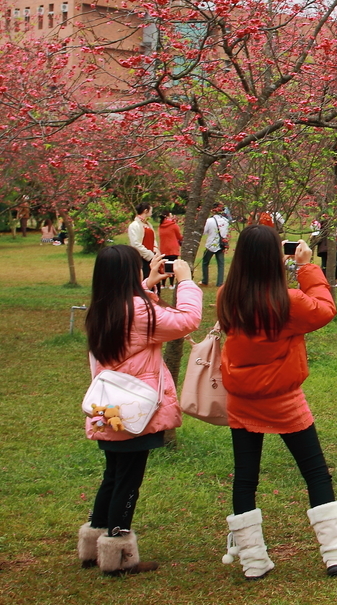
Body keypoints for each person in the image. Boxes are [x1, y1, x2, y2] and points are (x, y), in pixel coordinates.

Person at [217, 225, 337, 579]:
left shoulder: (227, 295)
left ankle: (253, 559)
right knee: (314, 471)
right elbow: (324, 310)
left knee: (245, 477)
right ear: (277, 256)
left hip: (242, 397)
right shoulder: (285, 300)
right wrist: (306, 267)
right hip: (283, 397)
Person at [78, 246, 201, 576]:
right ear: (127, 275)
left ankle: (93, 543)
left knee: (113, 475)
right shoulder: (139, 311)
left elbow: (132, 311)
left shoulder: (102, 308)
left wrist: (147, 284)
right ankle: (117, 554)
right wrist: (186, 282)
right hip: (135, 411)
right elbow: (187, 321)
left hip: (108, 407)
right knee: (128, 481)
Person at [201, 202, 230, 287]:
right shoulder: (226, 221)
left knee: (205, 262)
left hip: (211, 244)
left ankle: (205, 280)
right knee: (221, 264)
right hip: (221, 244)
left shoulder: (209, 221)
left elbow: (204, 232)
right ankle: (220, 282)